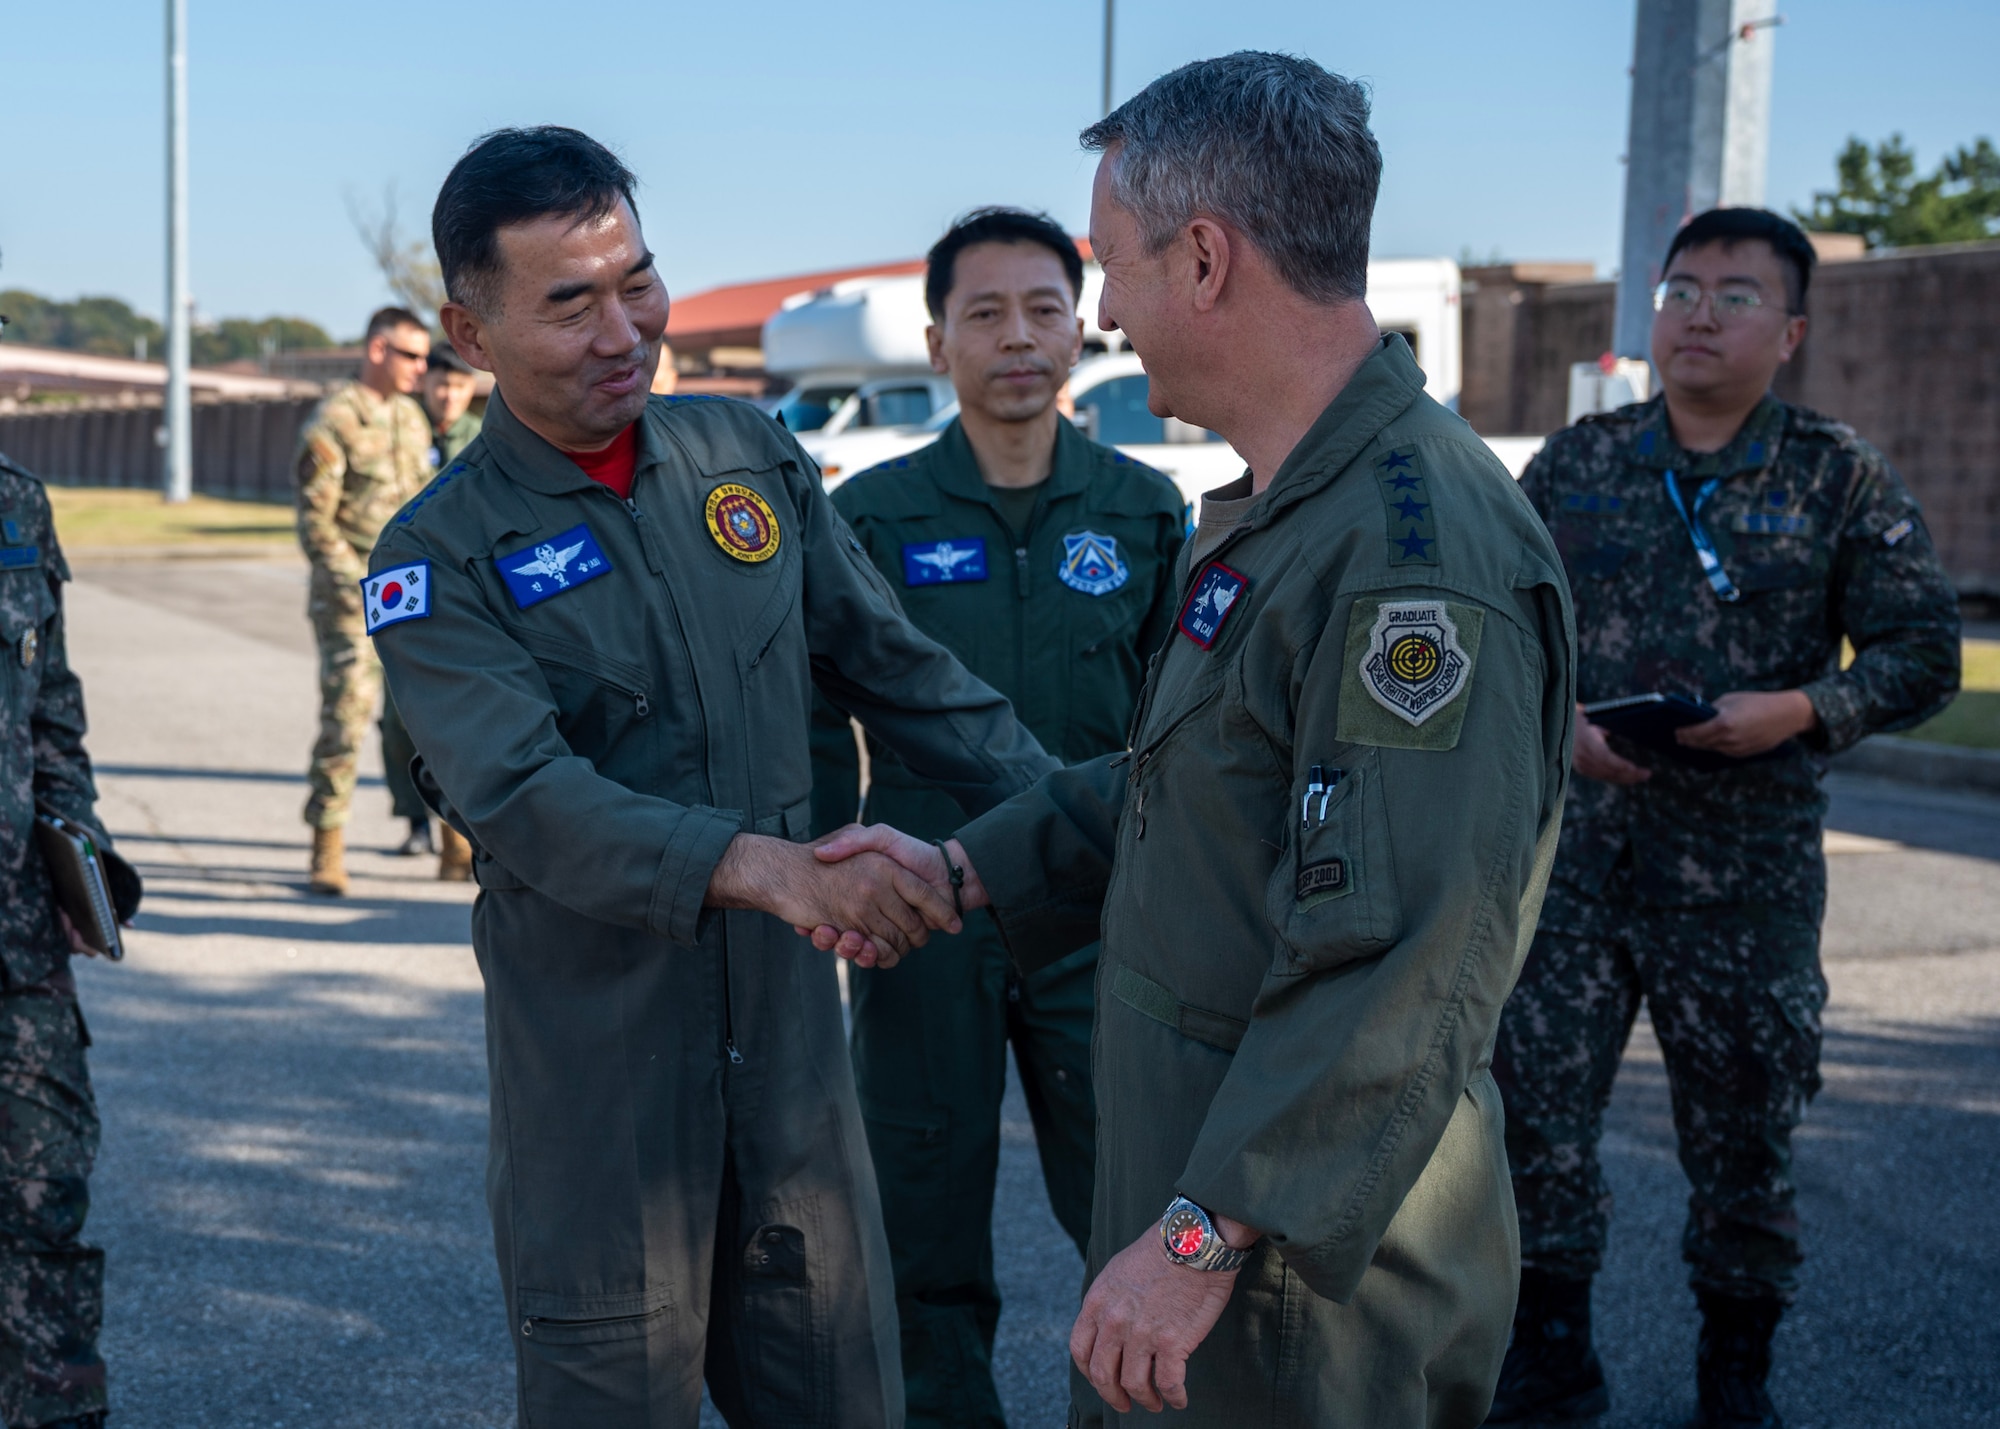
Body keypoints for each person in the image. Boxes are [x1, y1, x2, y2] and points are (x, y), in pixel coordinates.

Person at [814, 53, 1576, 1426]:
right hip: (1227, 1215)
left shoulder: (1414, 559)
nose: (1100, 316)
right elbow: (1202, 779)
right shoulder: (1292, 506)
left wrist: (1199, 1236)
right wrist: (970, 867)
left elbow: (1404, 957)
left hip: (1291, 1276)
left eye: (1111, 267)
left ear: (1208, 259)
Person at [366, 126, 1053, 1428]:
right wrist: (764, 868)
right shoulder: (437, 559)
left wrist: (1088, 815)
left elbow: (901, 671)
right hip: (605, 1115)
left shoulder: (747, 457)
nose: (624, 329)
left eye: (638, 279)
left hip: (795, 1099)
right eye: (570, 302)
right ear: (470, 332)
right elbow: (524, 798)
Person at [1485, 208, 1960, 1429]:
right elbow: (1501, 632)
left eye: (1734, 294)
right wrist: (1563, 730)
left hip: (1740, 884)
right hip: (1579, 871)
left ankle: (1732, 1383)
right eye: (1679, 287)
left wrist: (1803, 706)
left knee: (1744, 1149)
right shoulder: (1577, 462)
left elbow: (1922, 653)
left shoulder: (1831, 471)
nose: (1698, 311)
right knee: (1533, 1129)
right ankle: (1552, 1362)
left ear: (1789, 330)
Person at [809, 206, 1186, 1426]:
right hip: (919, 913)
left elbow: (1182, 732)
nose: (1015, 337)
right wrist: (813, 877)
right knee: (919, 1220)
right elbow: (821, 719)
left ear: (1080, 328)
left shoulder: (1143, 511)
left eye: (1041, 308)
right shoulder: (870, 514)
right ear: (936, 343)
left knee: (1129, 1214)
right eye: (983, 313)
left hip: (1097, 913)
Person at [0, 447, 139, 1429]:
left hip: (13, 934)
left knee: (43, 1196)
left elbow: (49, 705)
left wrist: (72, 845)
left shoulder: (13, 501)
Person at [293, 306, 435, 893]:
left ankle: (453, 839)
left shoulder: (411, 418)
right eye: (411, 356)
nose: (421, 369)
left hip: (408, 595)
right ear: (377, 350)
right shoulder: (333, 422)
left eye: (425, 358)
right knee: (347, 719)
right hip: (353, 599)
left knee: (427, 718)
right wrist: (359, 586)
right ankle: (327, 844)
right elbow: (315, 525)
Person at [383, 341, 486, 874]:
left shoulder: (486, 440)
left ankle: (459, 834)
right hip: (402, 588)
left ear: (471, 390)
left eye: (458, 386)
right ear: (425, 385)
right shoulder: (401, 432)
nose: (447, 395)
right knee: (397, 716)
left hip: (460, 592)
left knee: (459, 714)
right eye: (439, 385)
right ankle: (415, 822)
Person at [419, 340, 483, 467]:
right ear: (424, 381)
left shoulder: (481, 439)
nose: (451, 396)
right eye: (442, 384)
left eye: (460, 386)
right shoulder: (403, 426)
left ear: (472, 386)